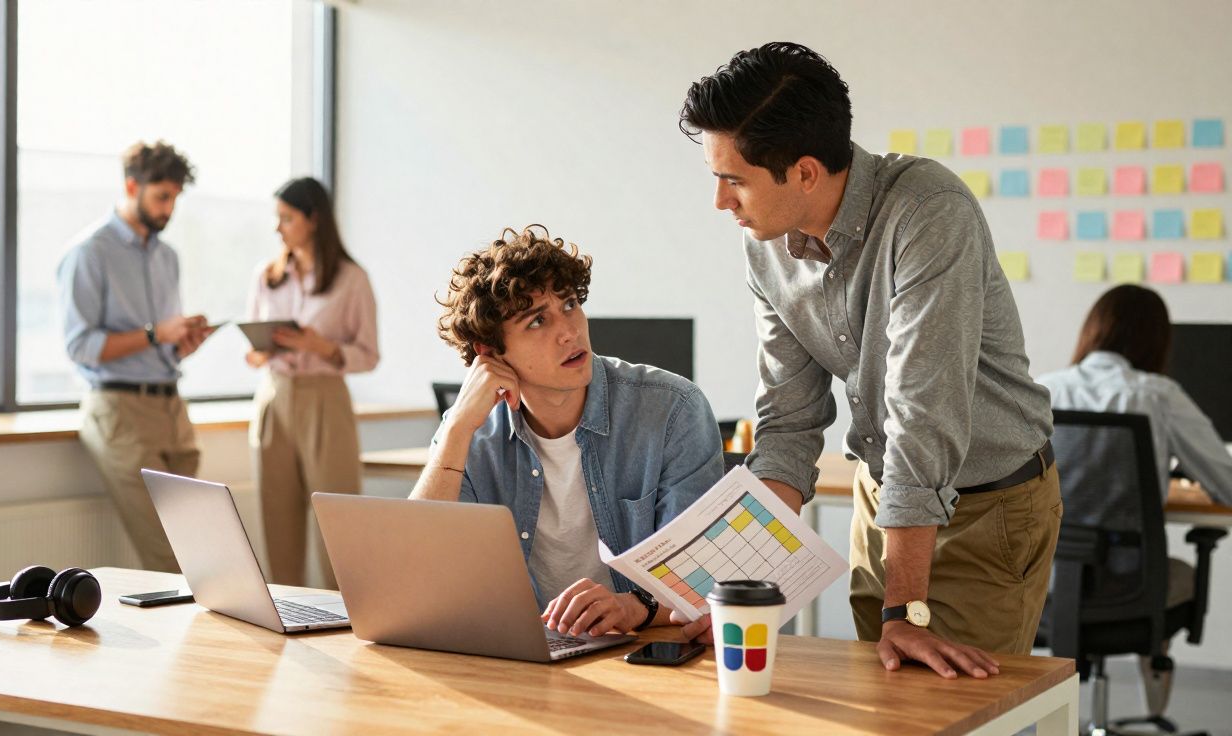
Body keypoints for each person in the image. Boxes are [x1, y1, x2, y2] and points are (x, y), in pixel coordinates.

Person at [678, 43, 1061, 678]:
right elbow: (788, 425)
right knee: (879, 701)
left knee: (942, 708)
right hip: (884, 497)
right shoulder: (767, 245)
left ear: (804, 172)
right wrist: (734, 589)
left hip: (987, 508)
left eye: (734, 179)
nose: (721, 201)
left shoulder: (928, 212)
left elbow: (922, 414)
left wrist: (904, 606)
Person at [411, 225, 724, 639]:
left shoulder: (672, 409)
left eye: (571, 304)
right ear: (490, 354)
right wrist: (454, 432)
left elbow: (704, 577)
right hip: (521, 657)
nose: (569, 331)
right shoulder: (470, 432)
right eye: (538, 320)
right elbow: (416, 577)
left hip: (642, 653)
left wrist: (630, 607)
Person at [58, 140, 214, 573]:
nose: (169, 209)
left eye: (175, 199)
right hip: (121, 412)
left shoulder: (168, 257)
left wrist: (181, 339)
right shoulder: (89, 253)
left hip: (172, 408)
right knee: (168, 558)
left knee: (204, 548)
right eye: (162, 197)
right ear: (131, 186)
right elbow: (79, 346)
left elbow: (160, 337)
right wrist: (154, 333)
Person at [1039, 284, 1232, 591]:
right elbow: (1227, 484)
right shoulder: (1158, 395)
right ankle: (1143, 637)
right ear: (1157, 341)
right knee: (1181, 578)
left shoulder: (1042, 391)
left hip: (1040, 585)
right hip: (1127, 582)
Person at [245, 176, 379, 587]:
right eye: (277, 218)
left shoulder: (351, 279)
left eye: (286, 218)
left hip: (326, 400)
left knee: (337, 524)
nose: (278, 228)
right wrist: (266, 349)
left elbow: (368, 355)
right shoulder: (267, 276)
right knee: (277, 520)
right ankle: (286, 620)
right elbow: (250, 354)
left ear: (313, 219)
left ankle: (348, 622)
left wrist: (321, 347)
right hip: (274, 397)